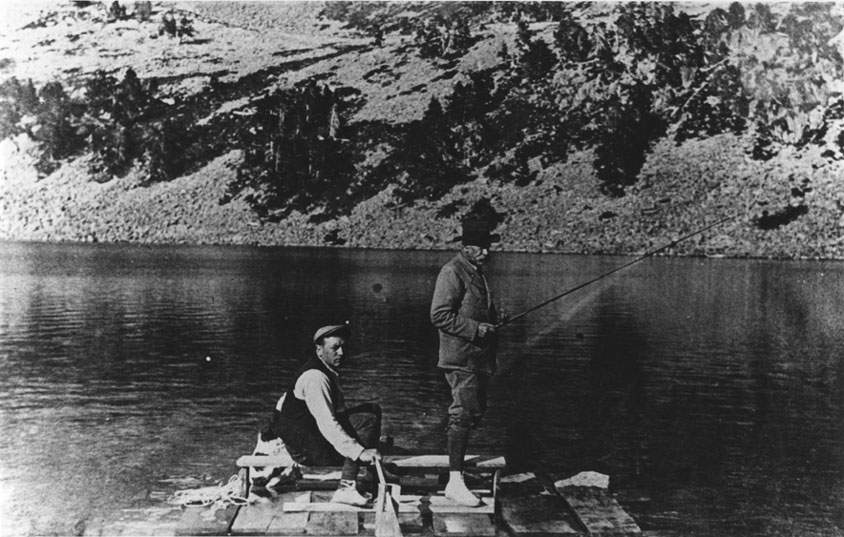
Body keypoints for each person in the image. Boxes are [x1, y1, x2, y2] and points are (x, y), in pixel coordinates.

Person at [269, 323, 382, 506]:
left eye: (343, 347)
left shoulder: (324, 369)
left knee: (372, 409)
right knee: (367, 421)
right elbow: (328, 424)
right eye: (335, 348)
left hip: (309, 437)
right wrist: (358, 451)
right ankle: (346, 487)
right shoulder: (315, 377)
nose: (342, 353)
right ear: (319, 350)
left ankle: (371, 468)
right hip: (306, 451)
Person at [430, 218, 501, 507]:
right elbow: (439, 315)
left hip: (477, 359)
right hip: (461, 359)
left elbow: (471, 310)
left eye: (488, 247)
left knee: (473, 413)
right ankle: (455, 481)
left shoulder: (475, 271)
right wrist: (476, 329)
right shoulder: (452, 271)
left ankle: (451, 474)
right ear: (465, 247)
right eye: (480, 247)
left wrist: (493, 322)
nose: (486, 252)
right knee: (462, 414)